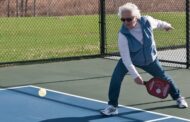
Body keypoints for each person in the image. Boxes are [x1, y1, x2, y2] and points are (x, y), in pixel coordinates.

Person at [101, 3, 188, 116]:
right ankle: (112, 106)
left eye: (129, 19)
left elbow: (158, 23)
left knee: (164, 78)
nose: (126, 22)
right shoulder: (122, 35)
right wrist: (135, 76)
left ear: (136, 16)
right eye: (123, 19)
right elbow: (126, 59)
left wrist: (166, 25)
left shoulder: (147, 21)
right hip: (131, 60)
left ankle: (178, 98)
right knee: (115, 79)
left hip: (150, 60)